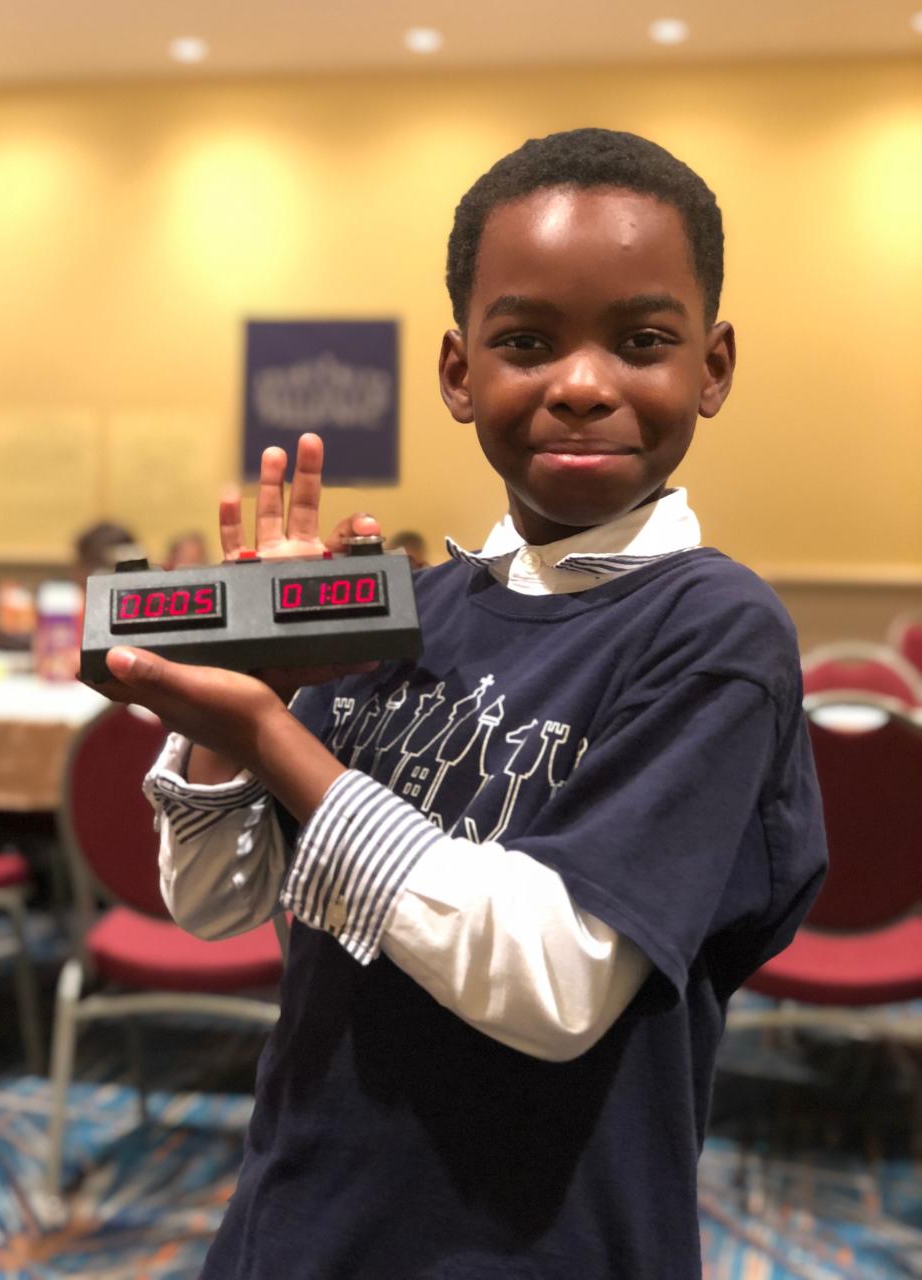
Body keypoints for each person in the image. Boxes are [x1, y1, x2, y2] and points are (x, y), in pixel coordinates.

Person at [96, 129, 827, 1278]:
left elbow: (556, 976)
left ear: (714, 364)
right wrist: (248, 690)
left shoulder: (715, 629)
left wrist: (273, 736)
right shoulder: (411, 610)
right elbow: (215, 899)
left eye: (641, 340)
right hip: (301, 1217)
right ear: (458, 370)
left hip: (538, 1241)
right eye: (526, 341)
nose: (582, 384)